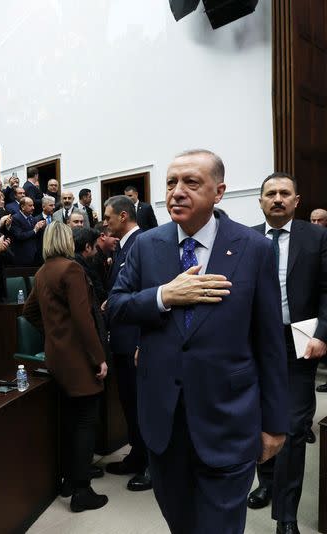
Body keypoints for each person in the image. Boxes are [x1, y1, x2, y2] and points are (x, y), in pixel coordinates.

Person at [108, 149, 288, 533]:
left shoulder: (253, 248)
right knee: (182, 523)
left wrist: (275, 423)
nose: (177, 191)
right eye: (171, 182)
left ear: (219, 191)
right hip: (164, 424)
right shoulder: (146, 244)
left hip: (228, 421)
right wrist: (163, 296)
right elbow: (116, 308)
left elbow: (270, 341)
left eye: (191, 182)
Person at [245, 172, 327, 534]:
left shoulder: (317, 236)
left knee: (293, 428)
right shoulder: (245, 239)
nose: (277, 198)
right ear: (260, 201)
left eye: (284, 193)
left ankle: (287, 515)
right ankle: (266, 482)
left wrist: (323, 333)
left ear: (296, 200)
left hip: (300, 339)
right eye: (270, 193)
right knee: (258, 418)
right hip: (253, 344)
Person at [22, 221, 109, 512]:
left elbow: (28, 311)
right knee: (85, 422)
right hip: (79, 359)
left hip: (56, 358)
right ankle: (82, 492)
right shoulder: (71, 269)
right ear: (67, 241)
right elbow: (84, 320)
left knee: (70, 421)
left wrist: (54, 333)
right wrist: (99, 357)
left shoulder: (43, 271)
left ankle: (70, 481)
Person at [100, 195, 151, 491]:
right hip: (121, 340)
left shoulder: (142, 243)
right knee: (130, 405)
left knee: (144, 406)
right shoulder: (123, 246)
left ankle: (151, 465)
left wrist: (142, 342)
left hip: (135, 342)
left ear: (122, 216)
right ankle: (137, 454)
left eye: (108, 217)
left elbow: (148, 296)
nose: (105, 223)